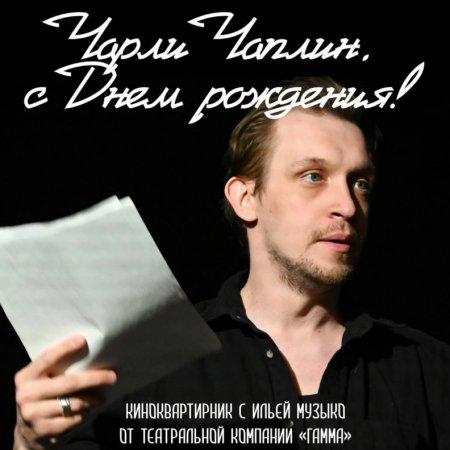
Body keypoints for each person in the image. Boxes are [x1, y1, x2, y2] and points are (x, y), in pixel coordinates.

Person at [13, 78, 450, 449]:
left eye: (360, 183)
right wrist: (29, 441)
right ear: (245, 198)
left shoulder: (429, 370)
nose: (348, 206)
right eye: (313, 176)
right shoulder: (145, 367)